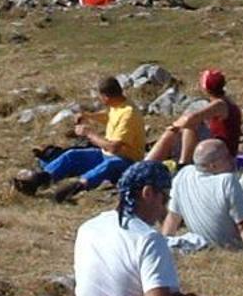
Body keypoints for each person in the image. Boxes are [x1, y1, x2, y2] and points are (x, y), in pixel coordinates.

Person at [71, 161, 234, 296]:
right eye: (164, 198)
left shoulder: (89, 228)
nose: (164, 210)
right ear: (148, 193)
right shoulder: (148, 239)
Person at [12, 75, 146, 201]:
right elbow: (110, 117)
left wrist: (89, 133)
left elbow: (114, 147)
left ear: (105, 97)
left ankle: (76, 187)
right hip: (106, 154)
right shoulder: (119, 104)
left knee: (110, 165)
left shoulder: (129, 114)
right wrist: (89, 116)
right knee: (72, 155)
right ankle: (39, 180)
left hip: (127, 161)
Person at [164, 139, 243, 251]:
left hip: (208, 244)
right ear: (213, 166)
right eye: (227, 156)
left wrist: (164, 244)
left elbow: (173, 217)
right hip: (233, 247)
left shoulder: (183, 175)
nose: (233, 159)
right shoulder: (227, 181)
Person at [144, 68, 240, 167]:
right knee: (182, 129)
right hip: (219, 148)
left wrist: (174, 126)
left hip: (222, 153)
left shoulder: (220, 105)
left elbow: (191, 118)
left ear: (205, 88)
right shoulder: (226, 102)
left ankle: (182, 164)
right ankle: (149, 164)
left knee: (188, 126)